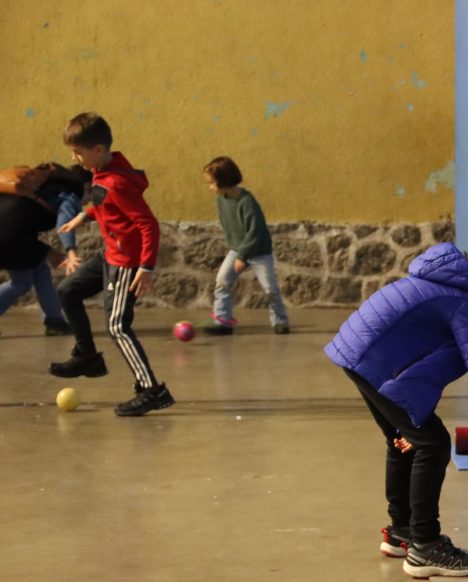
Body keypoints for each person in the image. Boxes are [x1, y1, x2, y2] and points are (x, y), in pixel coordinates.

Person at [324, 236, 468, 578]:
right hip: (376, 359)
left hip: (364, 351)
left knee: (406, 441)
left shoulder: (464, 286)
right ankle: (425, 545)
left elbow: (428, 362)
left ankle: (402, 531)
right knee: (433, 445)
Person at [50, 112, 175, 417]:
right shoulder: (103, 171)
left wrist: (146, 267)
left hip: (127, 263)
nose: (74, 158)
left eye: (78, 152)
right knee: (68, 291)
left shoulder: (117, 181)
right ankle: (87, 356)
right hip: (110, 255)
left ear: (98, 149)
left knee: (118, 326)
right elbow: (105, 203)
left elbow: (148, 224)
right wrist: (85, 216)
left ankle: (151, 390)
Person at [201, 156, 289, 335]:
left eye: (212, 183)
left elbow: (255, 231)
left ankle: (280, 321)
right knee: (222, 281)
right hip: (237, 249)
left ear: (224, 180)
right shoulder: (221, 199)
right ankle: (223, 321)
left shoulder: (246, 201)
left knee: (270, 289)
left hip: (258, 251)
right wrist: (237, 252)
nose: (210, 187)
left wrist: (243, 256)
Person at [0, 163, 89, 335]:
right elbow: (65, 225)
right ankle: (54, 320)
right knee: (21, 282)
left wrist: (46, 251)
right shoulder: (69, 197)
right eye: (90, 192)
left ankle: (54, 320)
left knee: (39, 267)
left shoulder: (41, 185)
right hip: (10, 236)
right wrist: (71, 252)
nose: (89, 201)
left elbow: (19, 221)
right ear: (84, 186)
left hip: (13, 233)